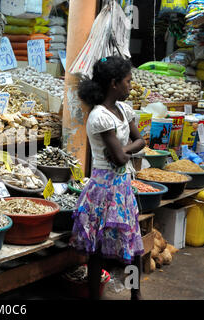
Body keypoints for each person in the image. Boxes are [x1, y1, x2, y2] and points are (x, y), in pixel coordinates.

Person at [70, 56, 146, 300]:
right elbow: (125, 155)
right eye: (127, 81)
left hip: (122, 187)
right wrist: (125, 151)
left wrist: (123, 150)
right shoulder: (100, 116)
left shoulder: (124, 110)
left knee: (133, 247)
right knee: (98, 251)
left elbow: (139, 142)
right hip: (103, 190)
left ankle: (136, 294)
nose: (130, 86)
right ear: (114, 83)